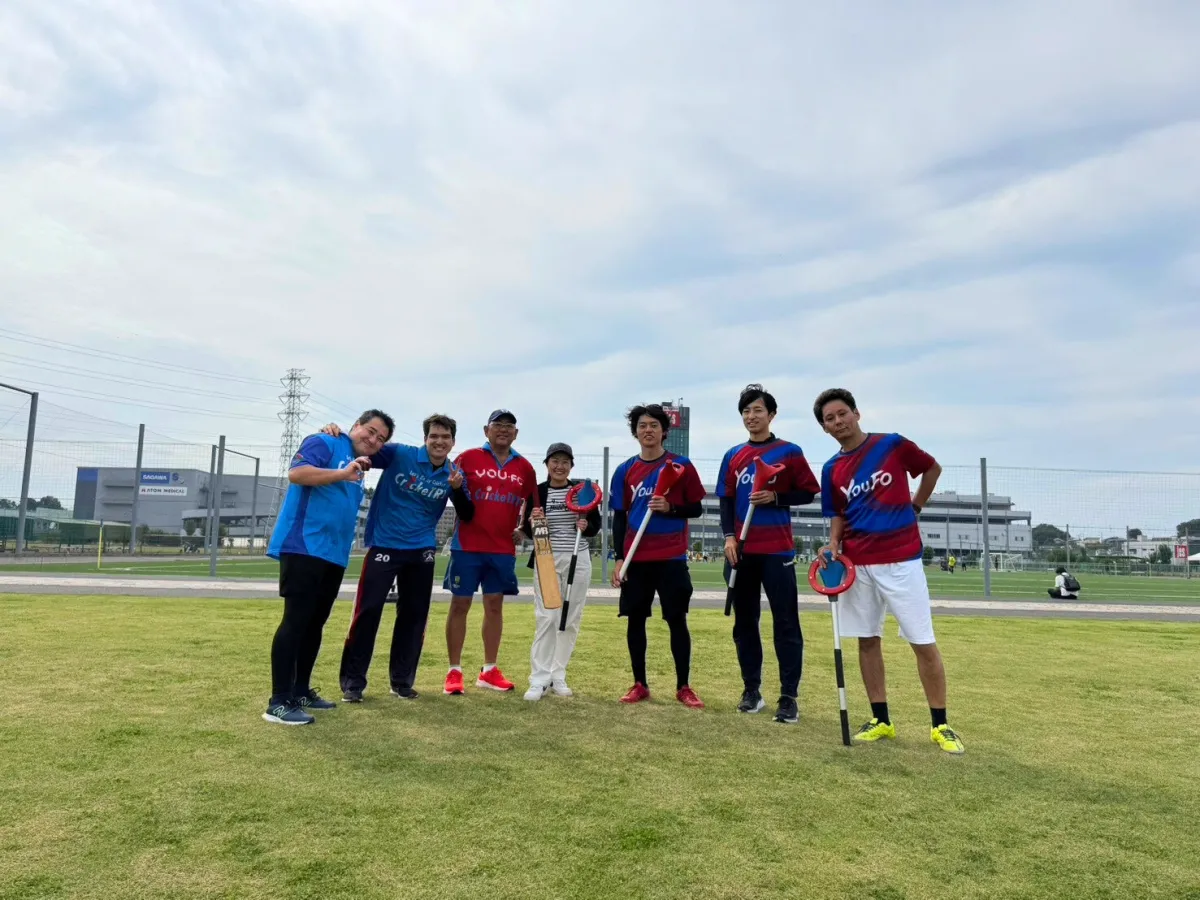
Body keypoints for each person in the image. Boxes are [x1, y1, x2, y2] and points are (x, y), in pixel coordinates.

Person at [814, 388, 965, 754]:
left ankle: (941, 725)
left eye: (842, 413)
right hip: (858, 563)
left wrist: (916, 506)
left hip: (901, 559)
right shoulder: (831, 468)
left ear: (856, 413)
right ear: (824, 428)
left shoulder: (891, 445)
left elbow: (932, 468)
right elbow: (837, 514)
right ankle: (881, 719)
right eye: (829, 419)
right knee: (867, 640)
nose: (838, 422)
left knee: (922, 641)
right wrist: (833, 544)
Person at [320, 415, 471, 703]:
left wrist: (456, 489)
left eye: (445, 437)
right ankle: (353, 683)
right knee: (367, 612)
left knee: (414, 616)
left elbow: (467, 513)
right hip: (385, 544)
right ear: (425, 439)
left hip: (422, 550)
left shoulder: (453, 473)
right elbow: (361, 447)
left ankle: (401, 681)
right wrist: (335, 434)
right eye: (434, 436)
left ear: (453, 442)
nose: (439, 442)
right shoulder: (400, 454)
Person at [263, 409, 394, 725]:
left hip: (333, 555)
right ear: (356, 425)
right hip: (303, 546)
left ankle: (300, 690)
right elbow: (297, 474)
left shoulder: (359, 462)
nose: (373, 440)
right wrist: (341, 473)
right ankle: (278, 702)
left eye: (381, 439)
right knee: (295, 621)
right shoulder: (325, 441)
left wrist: (350, 472)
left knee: (315, 623)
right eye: (371, 431)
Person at [717, 384, 820, 724]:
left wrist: (775, 498)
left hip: (778, 551)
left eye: (758, 410)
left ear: (771, 414)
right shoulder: (733, 455)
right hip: (742, 551)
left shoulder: (789, 451)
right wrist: (729, 538)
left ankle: (788, 696)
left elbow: (808, 492)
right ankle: (752, 690)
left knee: (786, 622)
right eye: (746, 411)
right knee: (745, 623)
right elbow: (726, 500)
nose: (751, 416)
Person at [609, 404, 707, 708]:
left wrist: (670, 508)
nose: (648, 430)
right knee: (635, 619)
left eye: (654, 425)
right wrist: (620, 558)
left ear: (664, 431)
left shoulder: (681, 465)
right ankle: (640, 683)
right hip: (637, 557)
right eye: (642, 425)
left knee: (676, 619)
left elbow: (696, 508)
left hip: (671, 557)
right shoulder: (625, 470)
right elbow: (619, 517)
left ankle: (683, 686)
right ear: (635, 432)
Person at [442, 409, 538, 695]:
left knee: (495, 606)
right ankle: (454, 671)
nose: (504, 430)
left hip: (502, 549)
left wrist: (524, 529)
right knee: (460, 605)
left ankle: (489, 670)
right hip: (467, 547)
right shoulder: (468, 458)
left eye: (509, 426)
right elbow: (454, 492)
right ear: (487, 430)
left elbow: (534, 504)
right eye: (498, 425)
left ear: (516, 434)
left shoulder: (525, 467)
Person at [518, 443, 603, 701]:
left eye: (565, 462)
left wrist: (586, 524)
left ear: (571, 466)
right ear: (547, 464)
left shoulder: (581, 492)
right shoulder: (538, 492)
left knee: (570, 618)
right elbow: (527, 530)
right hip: (546, 557)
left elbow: (595, 526)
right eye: (555, 461)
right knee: (548, 617)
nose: (559, 466)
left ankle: (558, 674)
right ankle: (539, 679)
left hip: (578, 557)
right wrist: (532, 521)